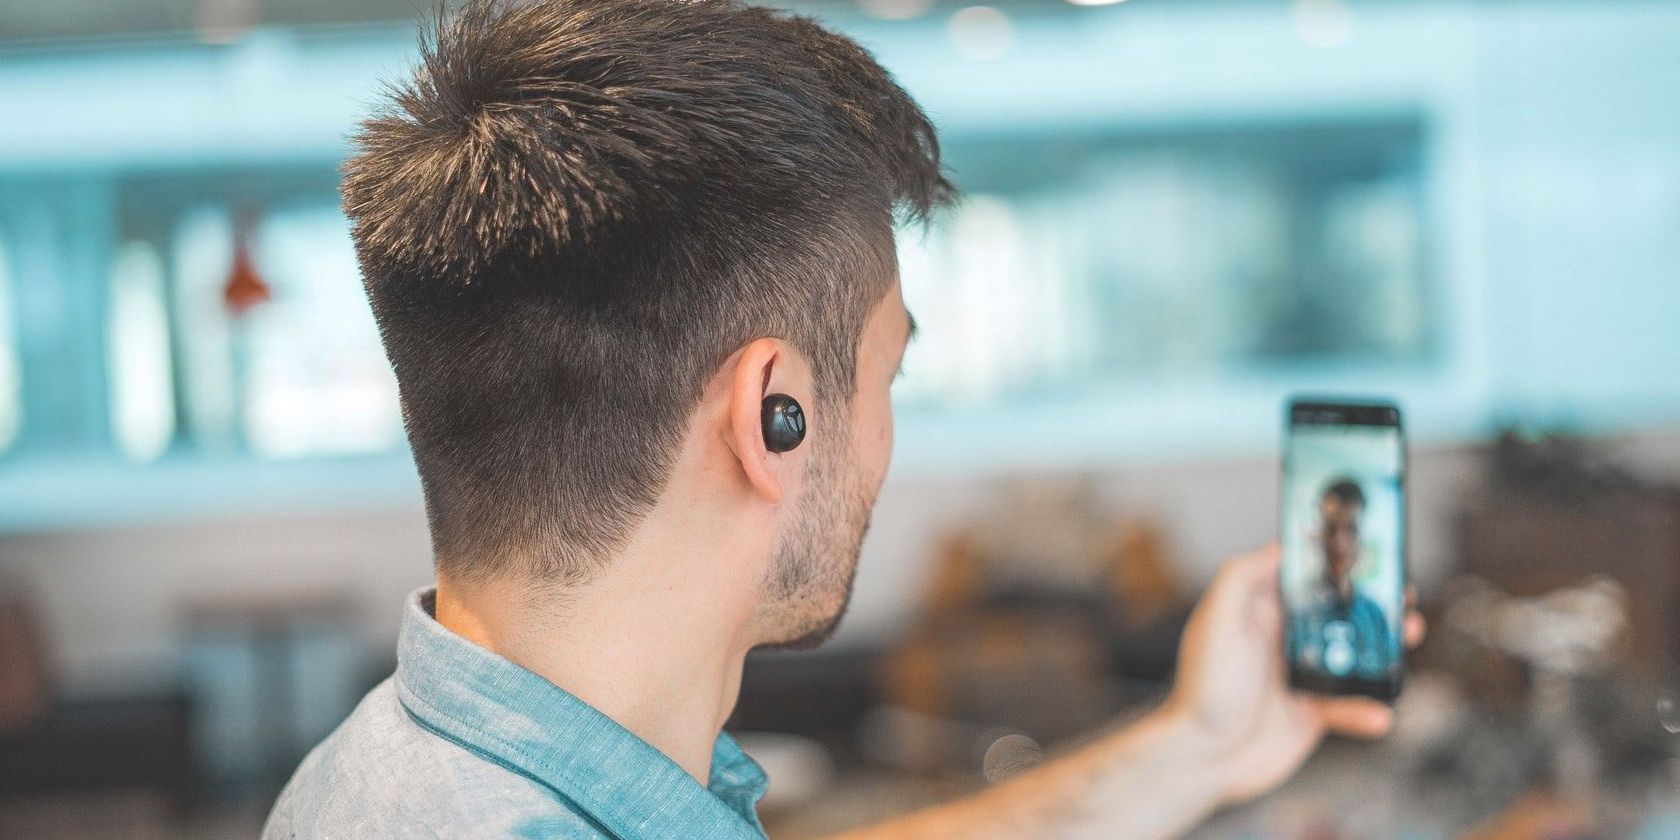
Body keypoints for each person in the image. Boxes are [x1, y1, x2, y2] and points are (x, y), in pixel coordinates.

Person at [263, 1, 1423, 837]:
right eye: (885, 378)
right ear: (774, 415)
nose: (883, 438)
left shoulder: (394, 764)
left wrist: (1200, 744)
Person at [1291, 478, 1394, 680]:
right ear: (1318, 535)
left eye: (1351, 529)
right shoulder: (1296, 610)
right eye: (1331, 529)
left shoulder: (1374, 615)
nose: (1339, 543)